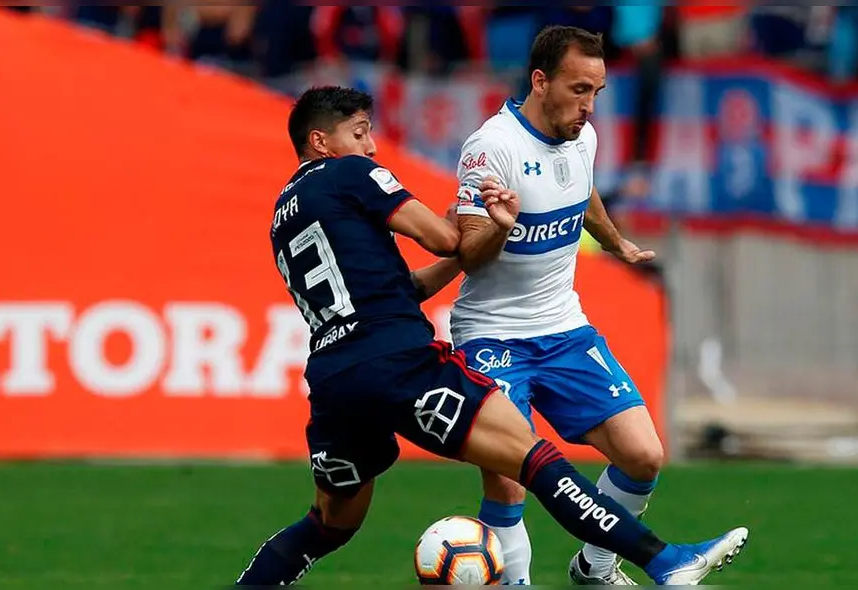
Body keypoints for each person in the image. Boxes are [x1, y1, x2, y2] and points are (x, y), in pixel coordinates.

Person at [234, 85, 748, 586]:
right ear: (321, 142)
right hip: (399, 361)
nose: (370, 146)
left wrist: (483, 237)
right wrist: (481, 218)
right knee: (533, 458)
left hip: (333, 377)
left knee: (329, 524)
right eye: (360, 132)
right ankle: (664, 562)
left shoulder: (284, 213)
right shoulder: (352, 172)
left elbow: (402, 288)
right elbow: (444, 239)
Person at [452, 25, 749, 585]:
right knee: (508, 478)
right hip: (491, 337)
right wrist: (501, 227)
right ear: (540, 82)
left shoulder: (581, 137)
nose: (588, 106)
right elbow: (468, 254)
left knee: (643, 456)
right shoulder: (492, 147)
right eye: (578, 89)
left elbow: (583, 191)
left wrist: (615, 242)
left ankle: (595, 566)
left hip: (564, 328)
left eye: (597, 92)